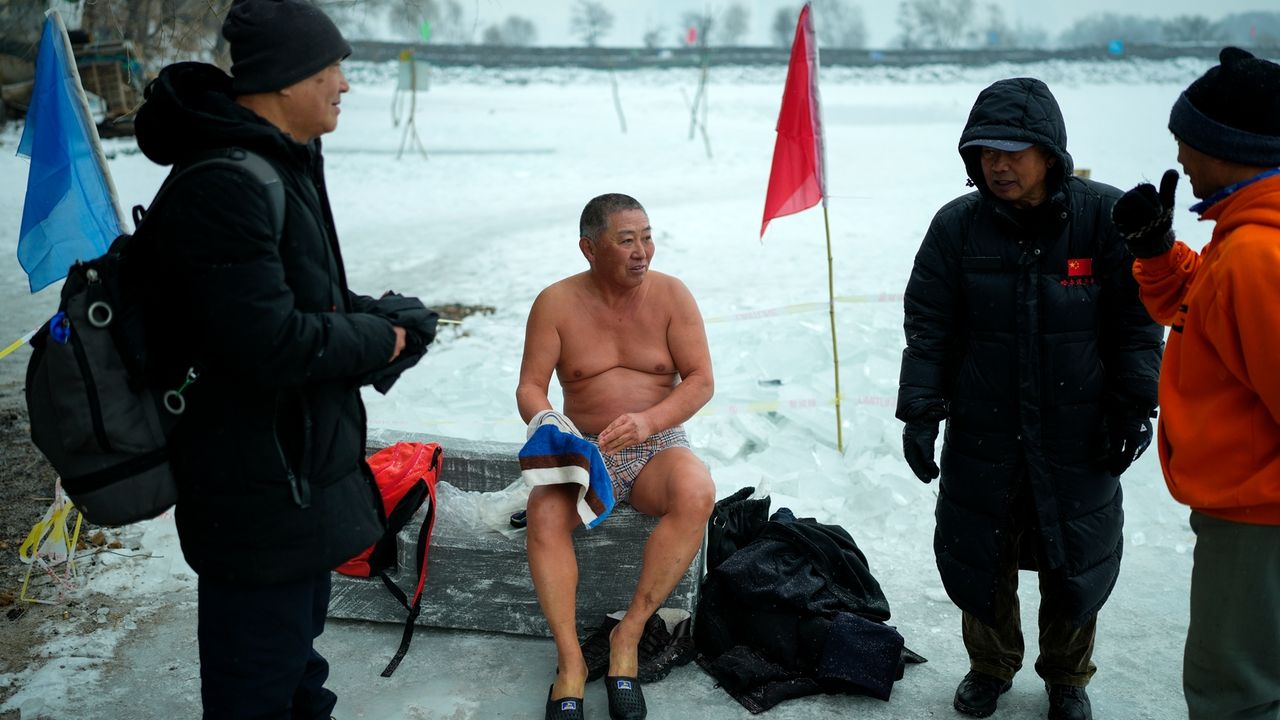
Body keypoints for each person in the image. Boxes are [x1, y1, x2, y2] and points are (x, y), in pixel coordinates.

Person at [132, 0, 436, 717]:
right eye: (333, 66)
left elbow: (310, 300)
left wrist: (388, 318)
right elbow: (264, 343)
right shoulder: (225, 184)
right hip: (255, 493)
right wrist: (382, 340)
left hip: (301, 484)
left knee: (298, 673)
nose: (345, 84)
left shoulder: (279, 164)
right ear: (286, 77)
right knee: (256, 689)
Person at [896, 77, 1163, 720]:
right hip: (985, 429)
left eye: (1015, 150)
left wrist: (1134, 405)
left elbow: (1136, 325)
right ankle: (990, 666)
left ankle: (1068, 678)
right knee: (981, 552)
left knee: (1074, 557)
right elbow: (929, 327)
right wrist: (920, 411)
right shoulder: (956, 227)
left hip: (1078, 430)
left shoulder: (1102, 219)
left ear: (1050, 154)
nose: (999, 163)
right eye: (986, 150)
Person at [1111, 47, 1280, 720]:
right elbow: (1201, 313)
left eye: (1190, 140)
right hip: (1251, 507)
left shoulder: (1256, 255)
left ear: (1231, 147)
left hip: (1258, 516)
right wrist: (1156, 253)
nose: (1179, 154)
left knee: (1232, 694)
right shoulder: (1244, 234)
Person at [516, 193, 716, 720]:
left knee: (697, 491)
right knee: (543, 513)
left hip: (656, 446)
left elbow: (701, 381)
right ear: (589, 247)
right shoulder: (555, 303)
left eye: (647, 236)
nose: (641, 250)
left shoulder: (672, 296)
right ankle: (571, 664)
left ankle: (627, 639)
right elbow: (531, 388)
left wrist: (650, 421)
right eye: (625, 240)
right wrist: (553, 428)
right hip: (585, 451)